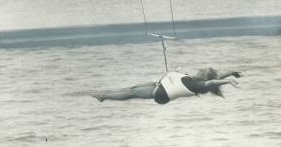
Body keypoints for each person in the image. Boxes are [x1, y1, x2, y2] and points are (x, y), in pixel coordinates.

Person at [91, 68, 242, 104]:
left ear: (205, 76)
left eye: (204, 70)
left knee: (132, 93)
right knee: (131, 89)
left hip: (161, 94)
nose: (201, 69)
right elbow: (217, 78)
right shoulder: (199, 80)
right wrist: (231, 73)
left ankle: (103, 97)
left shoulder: (201, 85)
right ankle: (104, 93)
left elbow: (213, 81)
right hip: (161, 85)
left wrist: (228, 82)